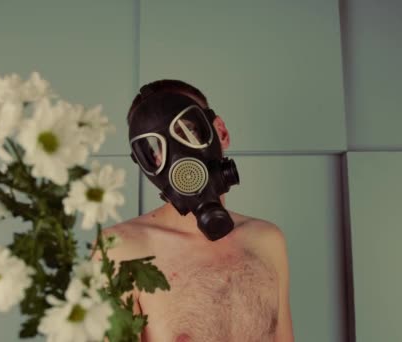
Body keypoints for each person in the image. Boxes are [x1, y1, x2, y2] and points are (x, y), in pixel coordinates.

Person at [93, 80, 294, 342]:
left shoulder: (267, 241)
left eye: (188, 131)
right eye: (155, 149)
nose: (179, 155)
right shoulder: (121, 252)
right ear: (145, 162)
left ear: (220, 133)